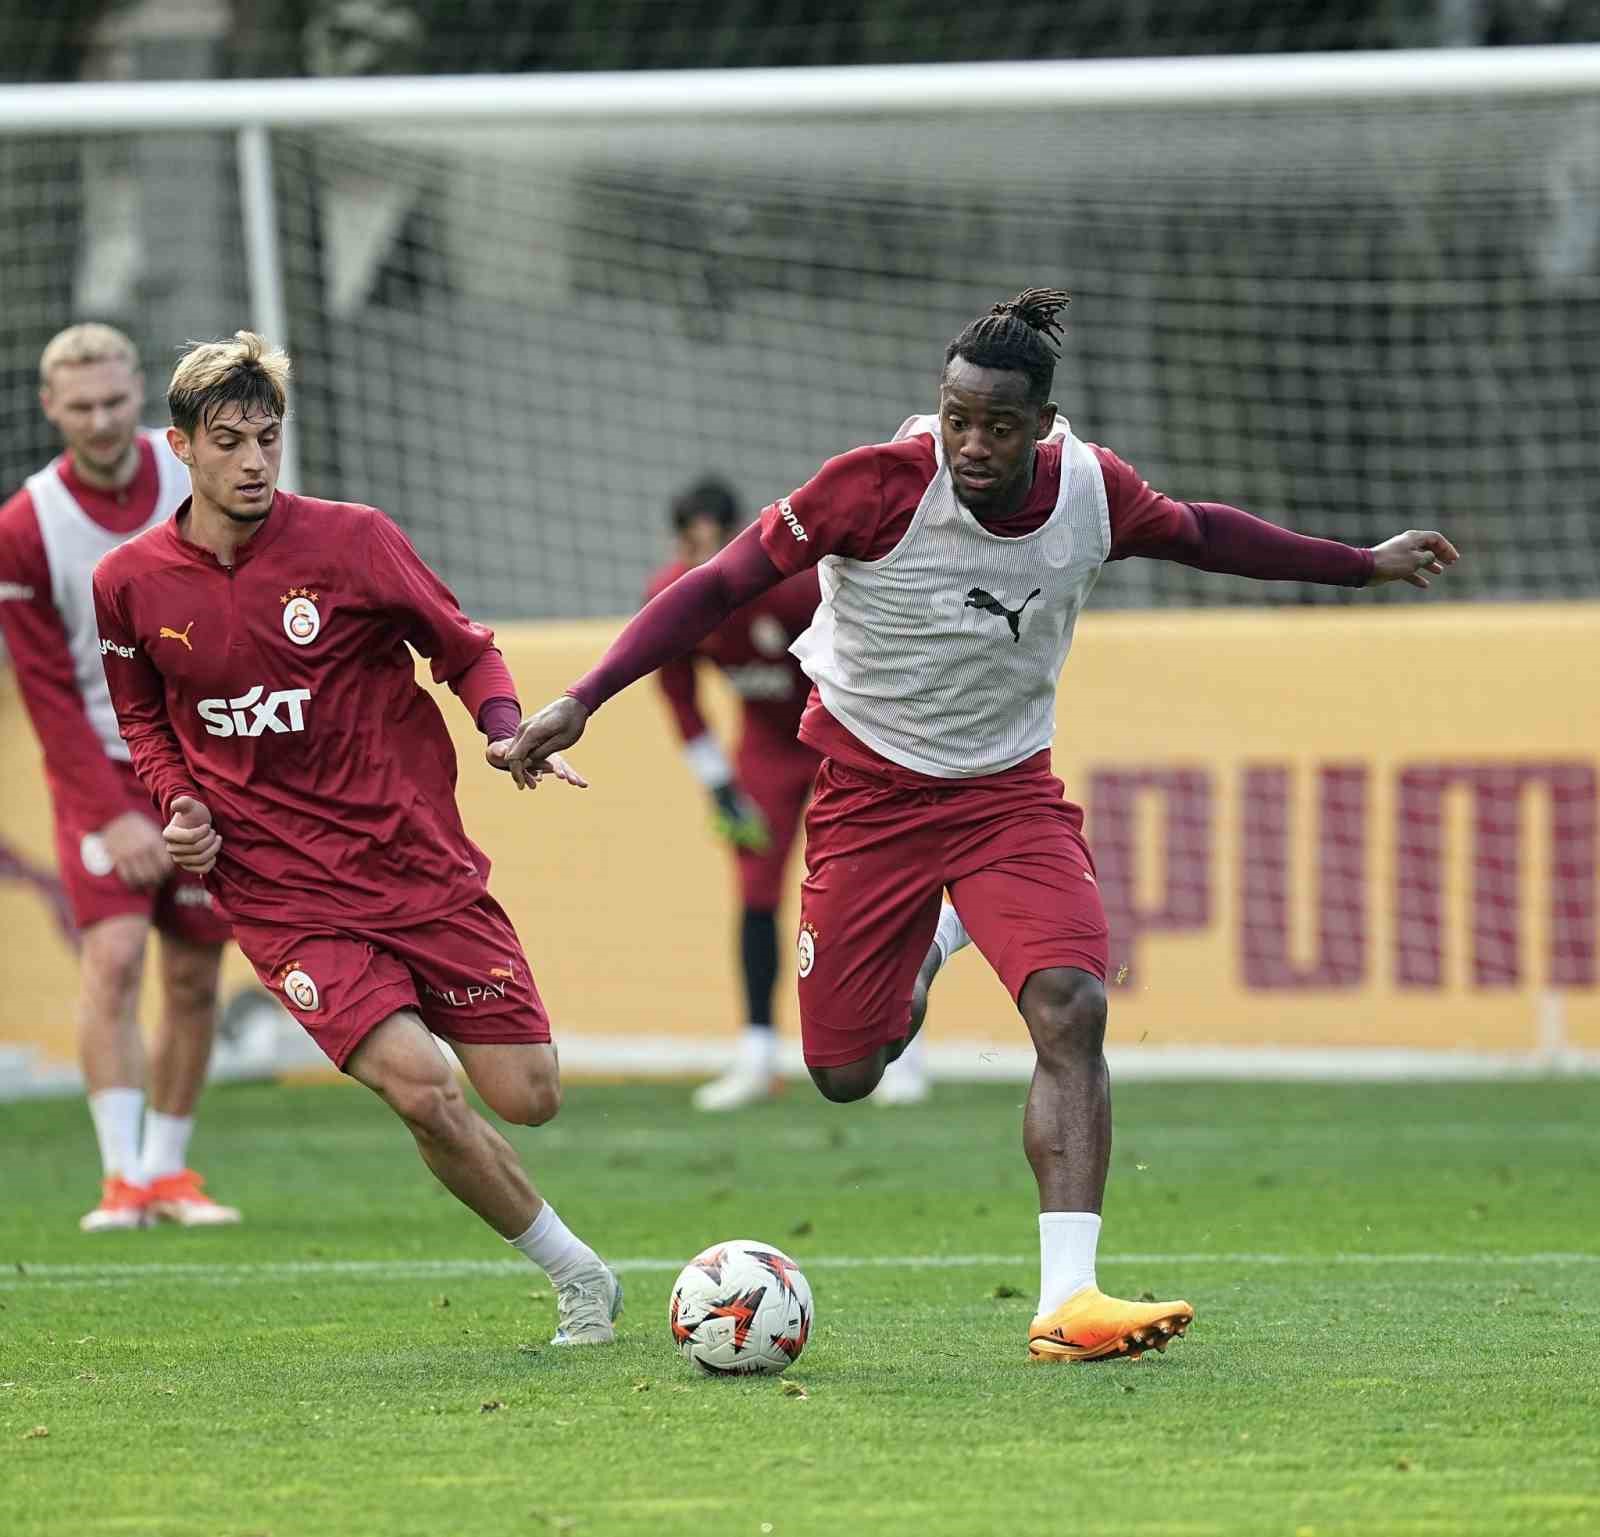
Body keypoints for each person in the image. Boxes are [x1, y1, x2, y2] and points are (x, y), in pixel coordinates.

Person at [503, 288, 1459, 1363]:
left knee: (1071, 1008)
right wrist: (583, 697)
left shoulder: (1093, 490)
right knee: (846, 1070)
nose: (971, 443)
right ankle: (937, 939)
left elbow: (1204, 534)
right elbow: (720, 583)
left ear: (1042, 423)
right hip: (868, 798)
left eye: (998, 425)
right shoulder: (871, 487)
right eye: (957, 417)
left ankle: (1068, 1296)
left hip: (1007, 794)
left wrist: (1359, 562)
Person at [92, 332, 621, 1344]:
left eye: (267, 438)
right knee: (423, 1091)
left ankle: (553, 1221)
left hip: (414, 863)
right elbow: (144, 718)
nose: (253, 460)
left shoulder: (355, 540)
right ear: (180, 447)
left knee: (529, 1095)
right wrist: (179, 803)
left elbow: (465, 649)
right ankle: (578, 1276)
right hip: (280, 892)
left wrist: (503, 729)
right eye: (228, 441)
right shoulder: (128, 581)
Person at [0, 323, 237, 1232]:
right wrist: (111, 812)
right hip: (102, 767)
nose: (100, 420)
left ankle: (168, 1171)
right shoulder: (27, 525)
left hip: (206, 758)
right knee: (115, 956)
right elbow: (46, 690)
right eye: (81, 406)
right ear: (49, 407)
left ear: (138, 391)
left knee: (194, 971)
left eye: (113, 400)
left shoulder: (195, 472)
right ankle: (120, 1179)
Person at [648, 478, 935, 1109]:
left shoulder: (795, 585)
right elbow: (679, 697)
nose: (703, 559)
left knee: (872, 885)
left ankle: (902, 1050)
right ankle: (757, 1054)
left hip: (843, 734)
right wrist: (718, 785)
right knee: (755, 889)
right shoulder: (675, 595)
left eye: (714, 544)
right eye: (691, 546)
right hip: (766, 750)